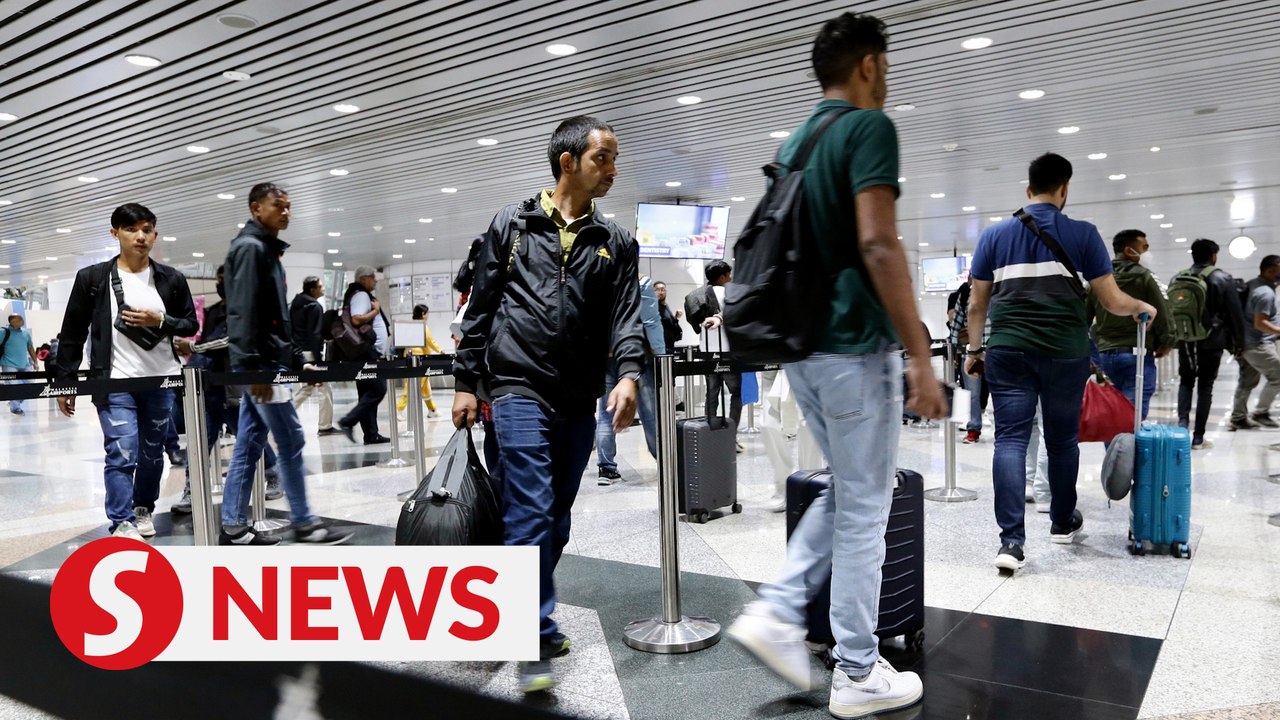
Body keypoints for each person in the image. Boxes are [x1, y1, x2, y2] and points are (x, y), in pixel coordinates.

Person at [723, 13, 945, 719]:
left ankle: (781, 607)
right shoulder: (868, 128)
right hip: (855, 345)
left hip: (804, 349)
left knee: (851, 491)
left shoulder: (800, 139)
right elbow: (879, 243)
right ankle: (857, 670)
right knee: (866, 508)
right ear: (871, 65)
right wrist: (920, 354)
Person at [452, 114, 644, 693]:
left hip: (576, 393)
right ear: (568, 163)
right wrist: (466, 381)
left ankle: (513, 607)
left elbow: (624, 318)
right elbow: (480, 308)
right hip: (516, 386)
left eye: (612, 158)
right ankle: (529, 630)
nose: (612, 169)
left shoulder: (616, 241)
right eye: (602, 158)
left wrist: (629, 372)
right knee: (531, 508)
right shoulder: (512, 226)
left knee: (554, 516)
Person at [964, 153, 1156, 573]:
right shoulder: (1083, 234)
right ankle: (1061, 521)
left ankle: (1011, 543)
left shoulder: (994, 236)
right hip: (1065, 353)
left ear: (1027, 188)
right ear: (1064, 189)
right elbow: (1111, 301)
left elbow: (977, 304)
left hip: (1008, 350)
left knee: (1011, 441)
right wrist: (1142, 305)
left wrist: (974, 351)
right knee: (1061, 439)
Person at [53, 203, 198, 539]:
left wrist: (159, 320)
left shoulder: (170, 278)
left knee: (152, 452)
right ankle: (121, 520)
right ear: (115, 233)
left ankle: (142, 507)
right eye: (132, 229)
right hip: (114, 380)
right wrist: (65, 383)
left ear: (155, 235)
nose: (140, 236)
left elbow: (190, 324)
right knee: (122, 449)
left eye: (147, 230)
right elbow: (73, 332)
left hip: (160, 380)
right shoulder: (92, 278)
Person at [220, 182, 352, 546]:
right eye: (278, 205)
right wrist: (254, 370)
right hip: (261, 367)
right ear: (255, 208)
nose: (286, 212)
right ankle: (304, 522)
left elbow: (275, 317)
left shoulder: (265, 250)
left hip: (266, 363)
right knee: (291, 440)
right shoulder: (251, 249)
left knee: (249, 442)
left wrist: (294, 359)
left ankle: (232, 524)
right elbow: (242, 312)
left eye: (289, 206)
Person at [173, 264, 282, 513]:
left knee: (250, 438)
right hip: (210, 388)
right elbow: (205, 343)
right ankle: (192, 489)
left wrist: (194, 349)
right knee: (199, 442)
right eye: (219, 280)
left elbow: (229, 342)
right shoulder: (213, 312)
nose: (222, 285)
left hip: (235, 388)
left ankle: (273, 473)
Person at [1086, 229, 1173, 423]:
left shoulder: (1097, 280)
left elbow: (1083, 321)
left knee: (1110, 416)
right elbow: (1163, 312)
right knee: (1131, 418)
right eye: (1144, 247)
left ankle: (1114, 453)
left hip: (1105, 356)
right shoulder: (1145, 277)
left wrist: (1091, 355)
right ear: (1128, 250)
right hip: (1137, 355)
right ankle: (1127, 453)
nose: (1147, 252)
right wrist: (1167, 342)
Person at [1174, 239, 1245, 440]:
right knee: (1205, 385)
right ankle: (1198, 437)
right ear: (1213, 256)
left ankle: (1181, 428)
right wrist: (1239, 344)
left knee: (1186, 382)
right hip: (1212, 340)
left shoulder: (1178, 278)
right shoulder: (1222, 278)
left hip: (1186, 339)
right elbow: (1235, 314)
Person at [595, 273, 663, 484]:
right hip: (636, 354)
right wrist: (661, 354)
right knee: (649, 413)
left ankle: (606, 469)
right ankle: (663, 460)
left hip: (606, 355)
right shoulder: (641, 281)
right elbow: (650, 321)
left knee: (606, 413)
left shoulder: (600, 278)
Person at [336, 266, 391, 445]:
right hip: (366, 352)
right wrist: (375, 311)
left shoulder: (358, 293)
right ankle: (347, 421)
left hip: (364, 352)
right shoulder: (361, 295)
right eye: (372, 278)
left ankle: (371, 434)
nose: (375, 281)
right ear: (363, 279)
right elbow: (356, 319)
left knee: (367, 392)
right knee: (378, 389)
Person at [686, 260, 743, 431]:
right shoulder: (729, 294)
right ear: (721, 277)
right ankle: (731, 431)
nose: (730, 278)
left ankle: (711, 429)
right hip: (728, 351)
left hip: (707, 351)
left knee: (711, 393)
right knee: (736, 392)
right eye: (728, 275)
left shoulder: (696, 295)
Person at [1231, 255, 1280, 428]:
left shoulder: (1254, 284)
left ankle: (1238, 417)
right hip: (1258, 345)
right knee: (1278, 376)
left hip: (1245, 342)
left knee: (1247, 381)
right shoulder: (1265, 293)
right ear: (1270, 270)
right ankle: (1261, 412)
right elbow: (1260, 323)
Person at [290, 275, 339, 435]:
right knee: (324, 387)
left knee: (307, 388)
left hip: (298, 352)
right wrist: (318, 359)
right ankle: (325, 426)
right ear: (312, 289)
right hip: (311, 353)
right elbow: (314, 334)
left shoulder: (295, 305)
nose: (323, 288)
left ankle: (284, 414)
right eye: (320, 286)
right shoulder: (314, 307)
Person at [948, 281, 986, 442]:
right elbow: (956, 322)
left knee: (987, 393)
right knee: (973, 394)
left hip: (992, 350)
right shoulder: (964, 295)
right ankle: (974, 428)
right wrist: (954, 348)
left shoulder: (998, 290)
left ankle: (1003, 429)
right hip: (972, 351)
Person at [396, 304, 443, 419]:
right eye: (427, 313)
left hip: (409, 357)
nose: (428, 316)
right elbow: (430, 341)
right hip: (419, 359)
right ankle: (398, 409)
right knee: (412, 386)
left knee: (424, 386)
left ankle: (432, 410)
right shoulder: (423, 327)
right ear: (423, 314)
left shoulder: (410, 326)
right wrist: (440, 350)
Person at [1, 314, 39, 415]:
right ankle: (15, 408)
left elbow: (30, 347)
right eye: (20, 319)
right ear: (12, 322)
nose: (22, 321)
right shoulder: (3, 332)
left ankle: (15, 401)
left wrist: (35, 361)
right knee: (12, 387)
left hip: (25, 364)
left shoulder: (25, 332)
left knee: (30, 385)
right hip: (8, 364)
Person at [654, 280, 683, 352]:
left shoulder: (665, 306)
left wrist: (676, 317)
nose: (660, 292)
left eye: (662, 289)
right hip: (661, 347)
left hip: (669, 346)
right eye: (657, 290)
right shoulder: (654, 307)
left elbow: (669, 325)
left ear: (666, 291)